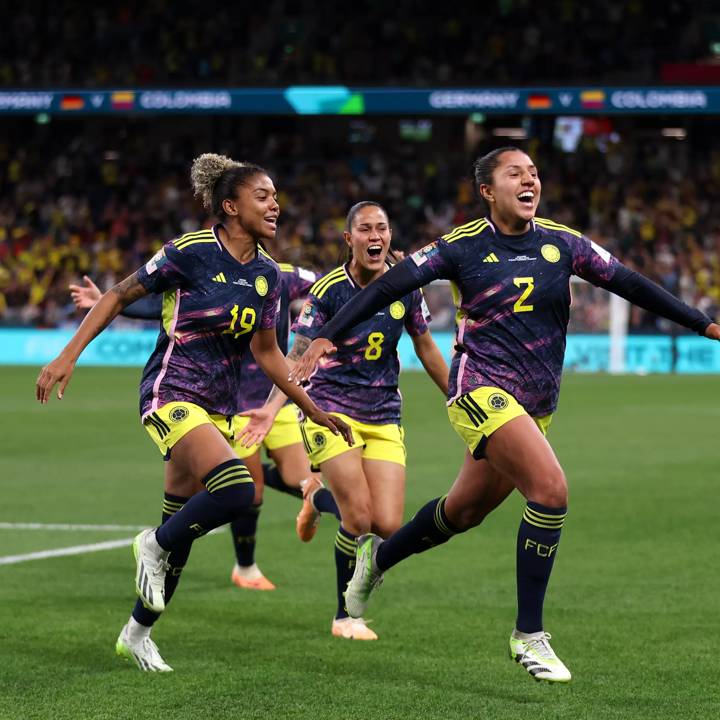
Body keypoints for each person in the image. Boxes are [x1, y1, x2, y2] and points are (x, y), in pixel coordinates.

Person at [288, 147, 720, 681]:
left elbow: (629, 282)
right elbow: (389, 285)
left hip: (535, 404)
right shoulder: (461, 246)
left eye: (534, 173)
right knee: (551, 490)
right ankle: (529, 636)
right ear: (488, 191)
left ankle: (376, 562)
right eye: (515, 173)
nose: (530, 180)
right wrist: (325, 336)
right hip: (480, 391)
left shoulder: (563, 244)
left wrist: (703, 324)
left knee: (460, 513)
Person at [37, 153, 352, 672]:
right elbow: (118, 295)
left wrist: (311, 410)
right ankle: (150, 545)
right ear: (230, 207)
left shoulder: (269, 275)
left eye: (276, 197)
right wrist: (67, 355)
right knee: (234, 491)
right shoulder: (191, 252)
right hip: (172, 393)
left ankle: (136, 633)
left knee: (179, 531)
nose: (276, 205)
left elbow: (268, 354)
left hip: (220, 408)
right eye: (262, 197)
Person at [243, 201, 449, 640]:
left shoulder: (405, 286)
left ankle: (315, 498)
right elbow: (296, 357)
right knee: (357, 518)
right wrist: (270, 407)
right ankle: (344, 616)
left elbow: (426, 347)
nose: (375, 237)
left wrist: (457, 394)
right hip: (330, 410)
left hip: (384, 413)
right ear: (349, 239)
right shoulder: (329, 291)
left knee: (389, 526)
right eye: (365, 230)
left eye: (383, 229)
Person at [69, 268, 341, 592]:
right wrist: (110, 303)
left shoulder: (283, 276)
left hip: (278, 398)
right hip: (237, 401)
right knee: (248, 491)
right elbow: (162, 305)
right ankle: (246, 566)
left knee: (304, 482)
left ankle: (250, 482)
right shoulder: (212, 274)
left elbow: (332, 286)